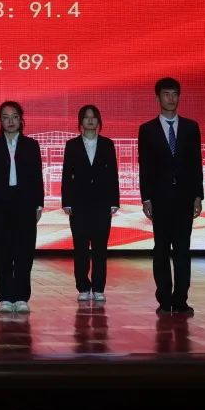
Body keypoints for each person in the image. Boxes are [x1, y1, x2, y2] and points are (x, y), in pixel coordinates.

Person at [138, 77, 203, 315]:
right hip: (160, 199)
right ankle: (164, 299)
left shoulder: (191, 127)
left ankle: (181, 300)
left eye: (175, 94)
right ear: (157, 98)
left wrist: (198, 195)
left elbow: (196, 164)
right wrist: (146, 198)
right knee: (162, 250)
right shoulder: (147, 129)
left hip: (185, 198)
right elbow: (144, 166)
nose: (171, 98)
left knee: (183, 250)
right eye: (166, 94)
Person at [0, 101, 44, 314]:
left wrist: (39, 203)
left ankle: (22, 297)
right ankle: (6, 297)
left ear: (21, 120)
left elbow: (37, 176)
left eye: (15, 117)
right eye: (6, 117)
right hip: (0, 204)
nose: (11, 121)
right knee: (2, 252)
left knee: (24, 252)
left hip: (25, 203)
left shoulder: (31, 145)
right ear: (0, 121)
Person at [61, 105, 120, 302]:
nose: (90, 120)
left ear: (99, 121)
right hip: (79, 204)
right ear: (80, 122)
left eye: (94, 117)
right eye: (86, 117)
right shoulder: (72, 145)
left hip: (102, 204)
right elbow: (67, 175)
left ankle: (99, 287)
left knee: (100, 248)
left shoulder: (107, 144)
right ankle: (83, 287)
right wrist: (67, 201)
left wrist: (114, 201)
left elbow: (113, 174)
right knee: (80, 248)